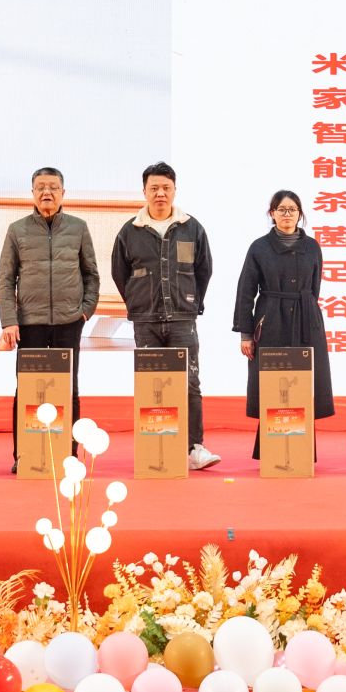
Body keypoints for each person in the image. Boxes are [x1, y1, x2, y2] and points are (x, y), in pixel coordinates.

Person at [110, 161, 221, 471]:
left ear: (175, 190)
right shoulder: (130, 231)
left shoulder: (191, 227)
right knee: (152, 385)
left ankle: (194, 448)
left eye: (166, 188)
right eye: (154, 188)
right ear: (144, 191)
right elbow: (120, 273)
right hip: (146, 321)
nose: (160, 193)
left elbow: (204, 270)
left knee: (190, 382)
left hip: (182, 319)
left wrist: (191, 302)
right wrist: (138, 302)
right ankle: (156, 447)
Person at [0, 167, 100, 471]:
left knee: (69, 388)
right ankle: (23, 455)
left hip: (69, 322)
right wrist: (9, 320)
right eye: (41, 187)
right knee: (28, 389)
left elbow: (91, 275)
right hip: (30, 323)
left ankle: (69, 453)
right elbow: (6, 280)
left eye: (53, 187)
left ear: (63, 193)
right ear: (32, 193)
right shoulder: (17, 230)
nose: (47, 193)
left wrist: (85, 311)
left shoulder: (78, 228)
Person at [233, 189, 335, 456]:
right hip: (271, 319)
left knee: (305, 381)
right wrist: (246, 333)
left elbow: (315, 287)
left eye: (292, 210)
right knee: (272, 382)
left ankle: (300, 452)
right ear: (272, 213)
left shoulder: (312, 246)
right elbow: (245, 291)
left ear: (300, 214)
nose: (287, 214)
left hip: (306, 317)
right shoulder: (259, 247)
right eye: (281, 209)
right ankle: (271, 451)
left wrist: (306, 310)